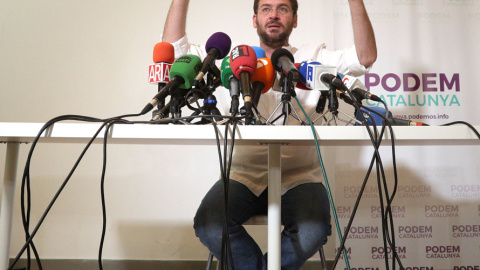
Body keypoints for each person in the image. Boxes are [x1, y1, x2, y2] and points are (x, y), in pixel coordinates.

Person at [162, 0, 377, 269]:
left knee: (313, 230)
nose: (273, 15)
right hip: (242, 175)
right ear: (255, 20)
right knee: (210, 225)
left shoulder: (313, 57)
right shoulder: (235, 61)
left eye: (283, 9)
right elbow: (174, 51)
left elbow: (364, 57)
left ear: (294, 20)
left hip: (299, 176)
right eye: (266, 9)